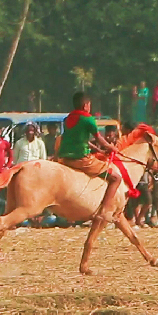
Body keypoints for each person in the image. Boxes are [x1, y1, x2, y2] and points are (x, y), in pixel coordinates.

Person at [57, 92, 122, 223]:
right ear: (86, 105)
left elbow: (84, 140)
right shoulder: (88, 119)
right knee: (116, 178)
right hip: (80, 158)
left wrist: (98, 150)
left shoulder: (69, 117)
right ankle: (105, 211)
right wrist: (111, 148)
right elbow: (99, 138)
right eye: (89, 104)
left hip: (64, 157)